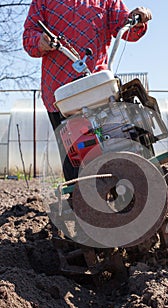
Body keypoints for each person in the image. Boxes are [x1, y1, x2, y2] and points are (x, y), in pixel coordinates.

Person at [23, 0, 152, 180]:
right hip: (61, 94)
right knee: (75, 154)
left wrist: (137, 19)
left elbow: (126, 27)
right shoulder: (43, 2)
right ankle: (78, 200)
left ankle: (129, 190)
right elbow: (29, 36)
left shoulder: (106, 2)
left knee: (116, 142)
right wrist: (40, 41)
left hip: (97, 88)